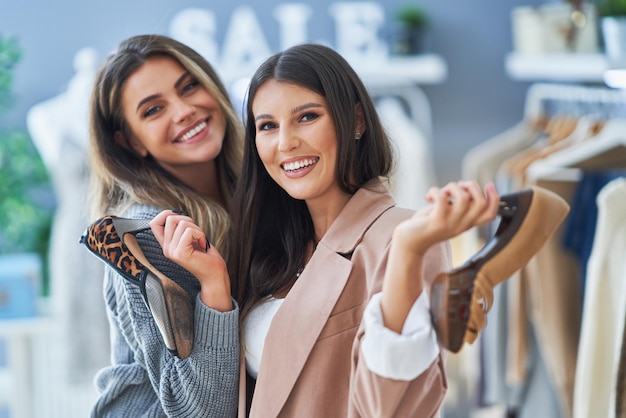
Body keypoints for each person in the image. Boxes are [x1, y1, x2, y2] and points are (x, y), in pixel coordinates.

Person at [151, 42, 500, 417]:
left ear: (357, 121)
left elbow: (395, 408)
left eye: (307, 117)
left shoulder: (402, 235)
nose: (286, 143)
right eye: (268, 126)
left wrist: (411, 252)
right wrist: (215, 284)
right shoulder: (269, 247)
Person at [85, 34, 243, 417]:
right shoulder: (146, 234)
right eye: (153, 110)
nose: (184, 110)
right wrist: (214, 288)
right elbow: (199, 412)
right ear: (130, 142)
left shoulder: (256, 196)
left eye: (189, 87)